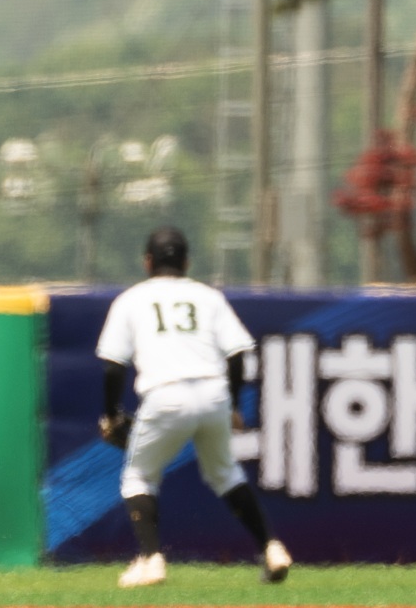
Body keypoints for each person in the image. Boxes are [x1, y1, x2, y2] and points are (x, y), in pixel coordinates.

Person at [96, 226, 291, 587]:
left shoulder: (131, 300)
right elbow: (237, 355)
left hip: (165, 394)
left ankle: (151, 559)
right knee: (226, 474)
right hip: (213, 392)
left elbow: (113, 365)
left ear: (147, 261)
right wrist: (233, 404)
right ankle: (271, 547)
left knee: (138, 476)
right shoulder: (207, 296)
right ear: (186, 262)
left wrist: (110, 414)